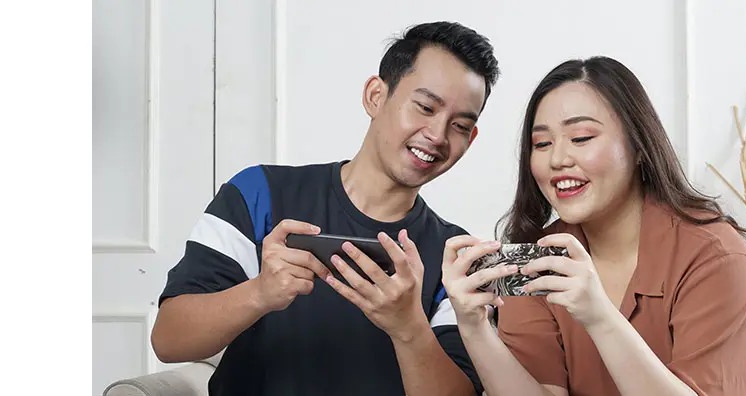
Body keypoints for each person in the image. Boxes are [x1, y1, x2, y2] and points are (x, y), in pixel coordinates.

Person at [151, 21, 500, 396]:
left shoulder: (458, 257)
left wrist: (410, 328)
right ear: (375, 96)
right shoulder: (259, 194)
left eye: (460, 125)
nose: (437, 134)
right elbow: (169, 341)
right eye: (425, 107)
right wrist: (260, 293)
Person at [442, 56, 746, 395]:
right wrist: (475, 328)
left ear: (639, 146)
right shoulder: (539, 259)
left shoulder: (716, 258)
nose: (557, 159)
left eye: (581, 137)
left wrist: (597, 315)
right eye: (542, 143)